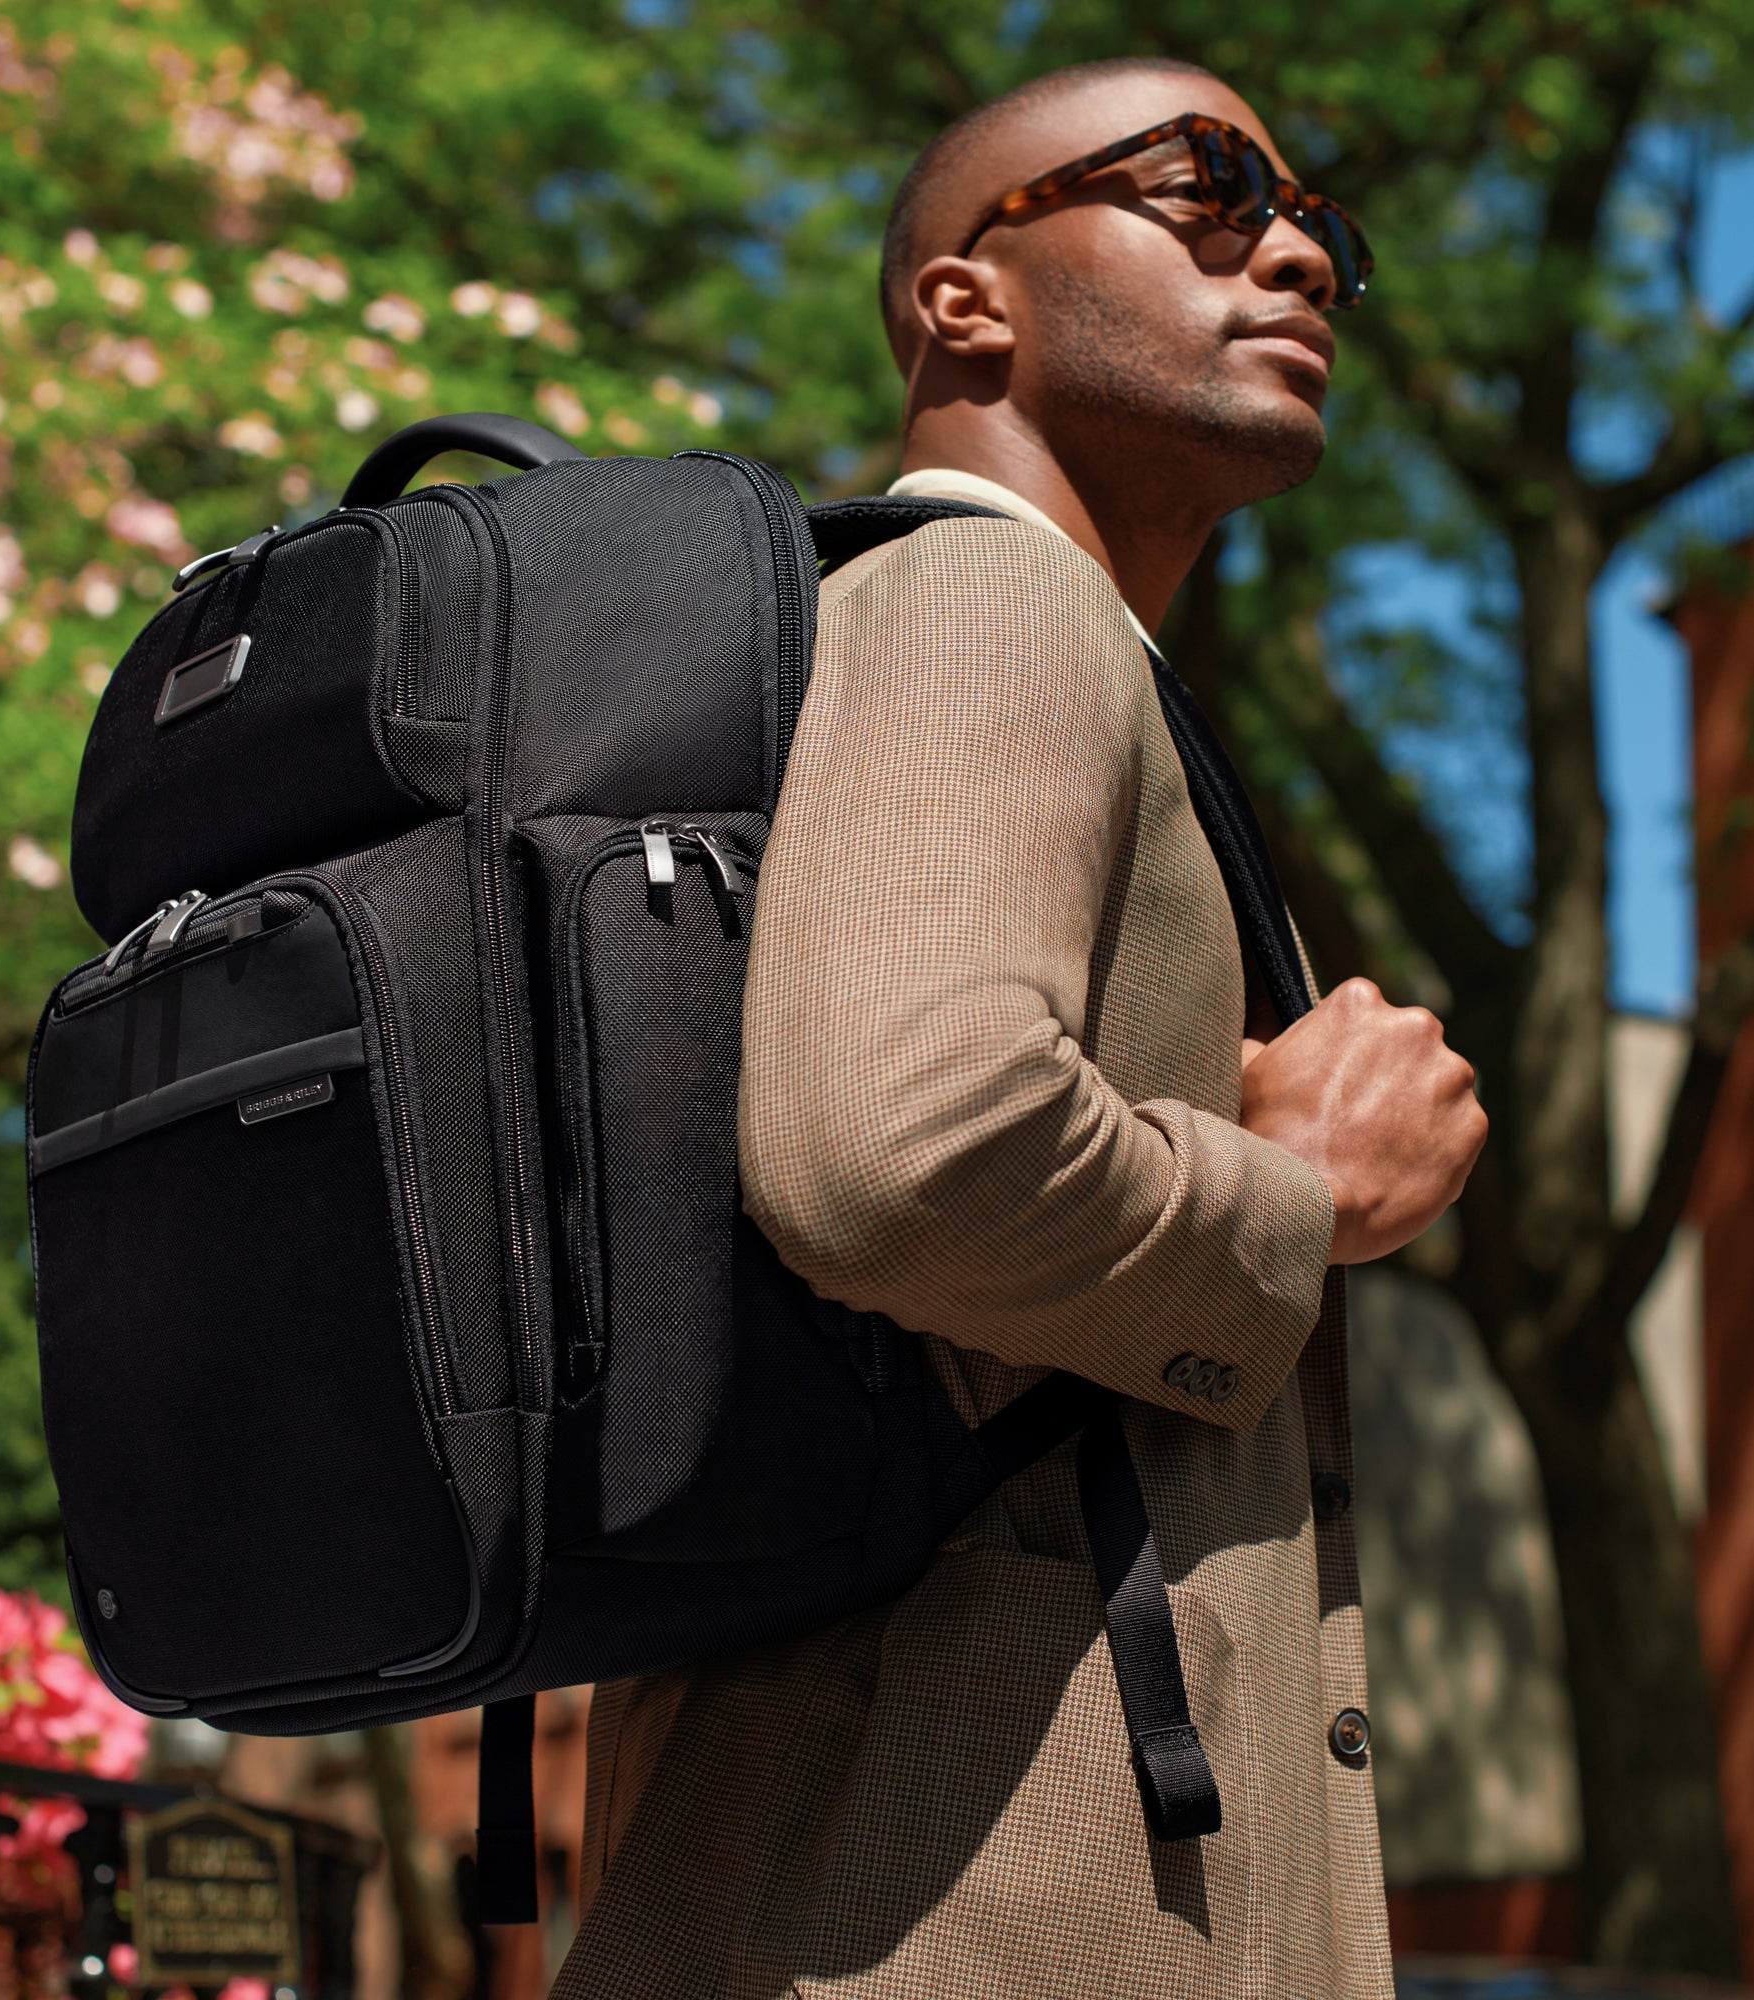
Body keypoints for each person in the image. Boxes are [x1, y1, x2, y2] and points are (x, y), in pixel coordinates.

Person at [550, 56, 1487, 2000]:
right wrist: (1298, 1193)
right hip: (960, 1910)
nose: (1298, 249)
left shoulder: (1029, 650)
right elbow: (905, 1148)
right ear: (963, 299)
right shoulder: (993, 595)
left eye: (1324, 224)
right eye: (1207, 189)